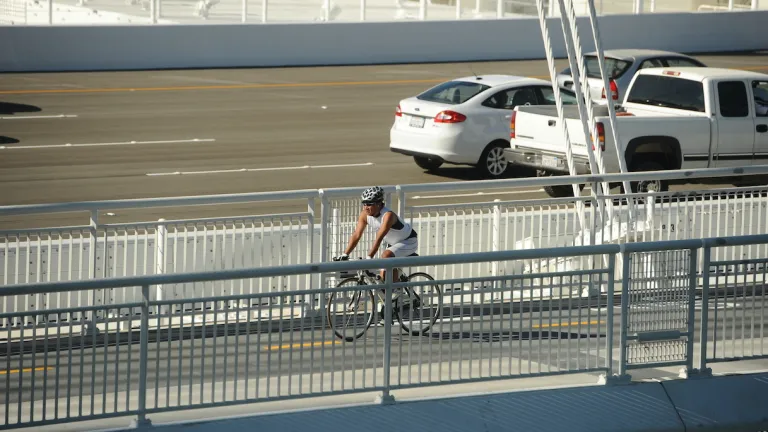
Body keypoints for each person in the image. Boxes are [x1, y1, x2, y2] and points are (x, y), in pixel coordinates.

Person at [333, 186, 418, 283]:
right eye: (364, 204)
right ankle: (389, 290)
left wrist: (370, 257)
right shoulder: (364, 215)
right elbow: (357, 234)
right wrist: (345, 254)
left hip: (408, 241)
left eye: (369, 204)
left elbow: (379, 238)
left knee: (386, 256)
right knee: (384, 270)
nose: (365, 207)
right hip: (393, 243)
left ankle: (394, 290)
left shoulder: (388, 216)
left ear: (378, 204)